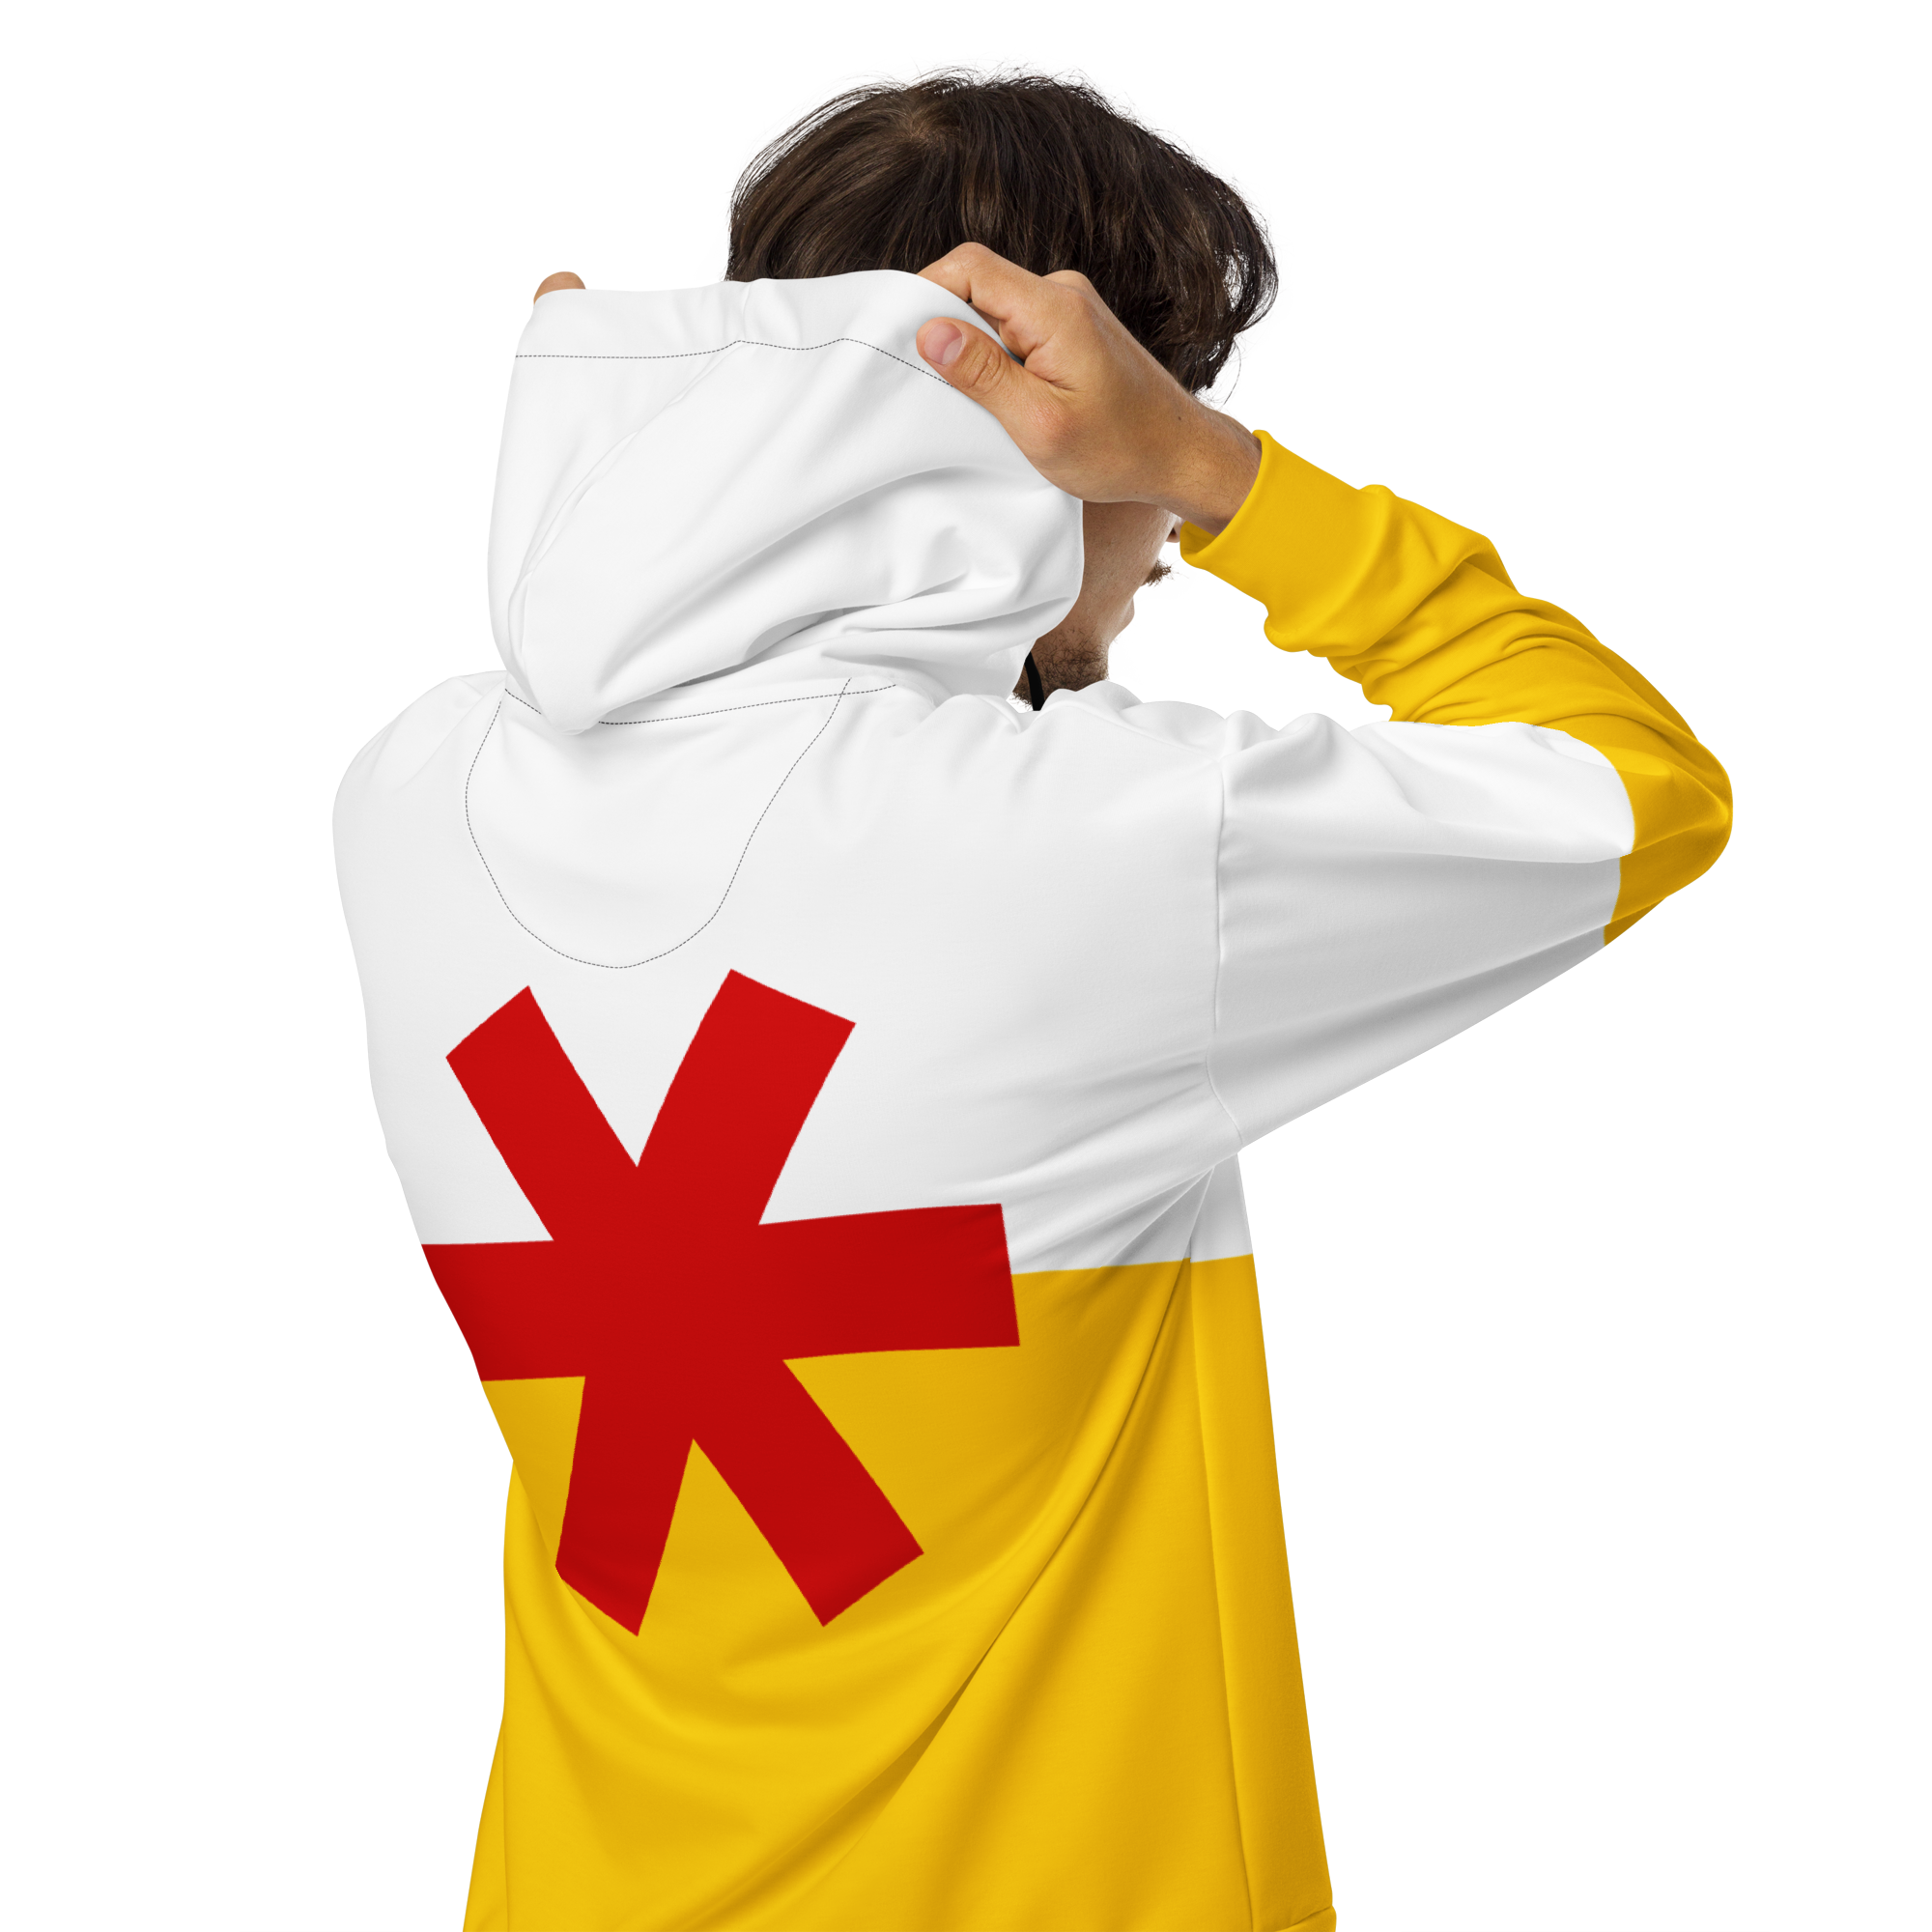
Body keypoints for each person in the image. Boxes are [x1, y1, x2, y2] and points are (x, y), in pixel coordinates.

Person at [331, 54, 1732, 1932]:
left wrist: (713, 364)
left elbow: (572, 383)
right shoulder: (1103, 847)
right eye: (1149, 435)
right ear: (1055, 436)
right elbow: (1647, 791)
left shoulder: (414, 792)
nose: (1165, 556)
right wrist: (1223, 467)